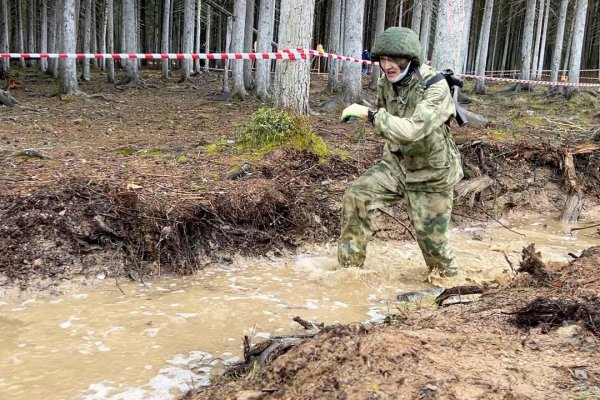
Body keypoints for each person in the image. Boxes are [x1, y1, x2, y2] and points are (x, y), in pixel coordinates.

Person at [339, 27, 464, 277]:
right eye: (382, 60)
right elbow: (389, 125)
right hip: (397, 165)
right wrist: (378, 120)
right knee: (357, 196)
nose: (386, 66)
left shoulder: (435, 86)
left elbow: (410, 130)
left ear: (408, 59)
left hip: (432, 173)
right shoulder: (385, 83)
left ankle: (453, 293)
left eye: (392, 60)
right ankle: (348, 274)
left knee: (435, 251)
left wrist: (369, 115)